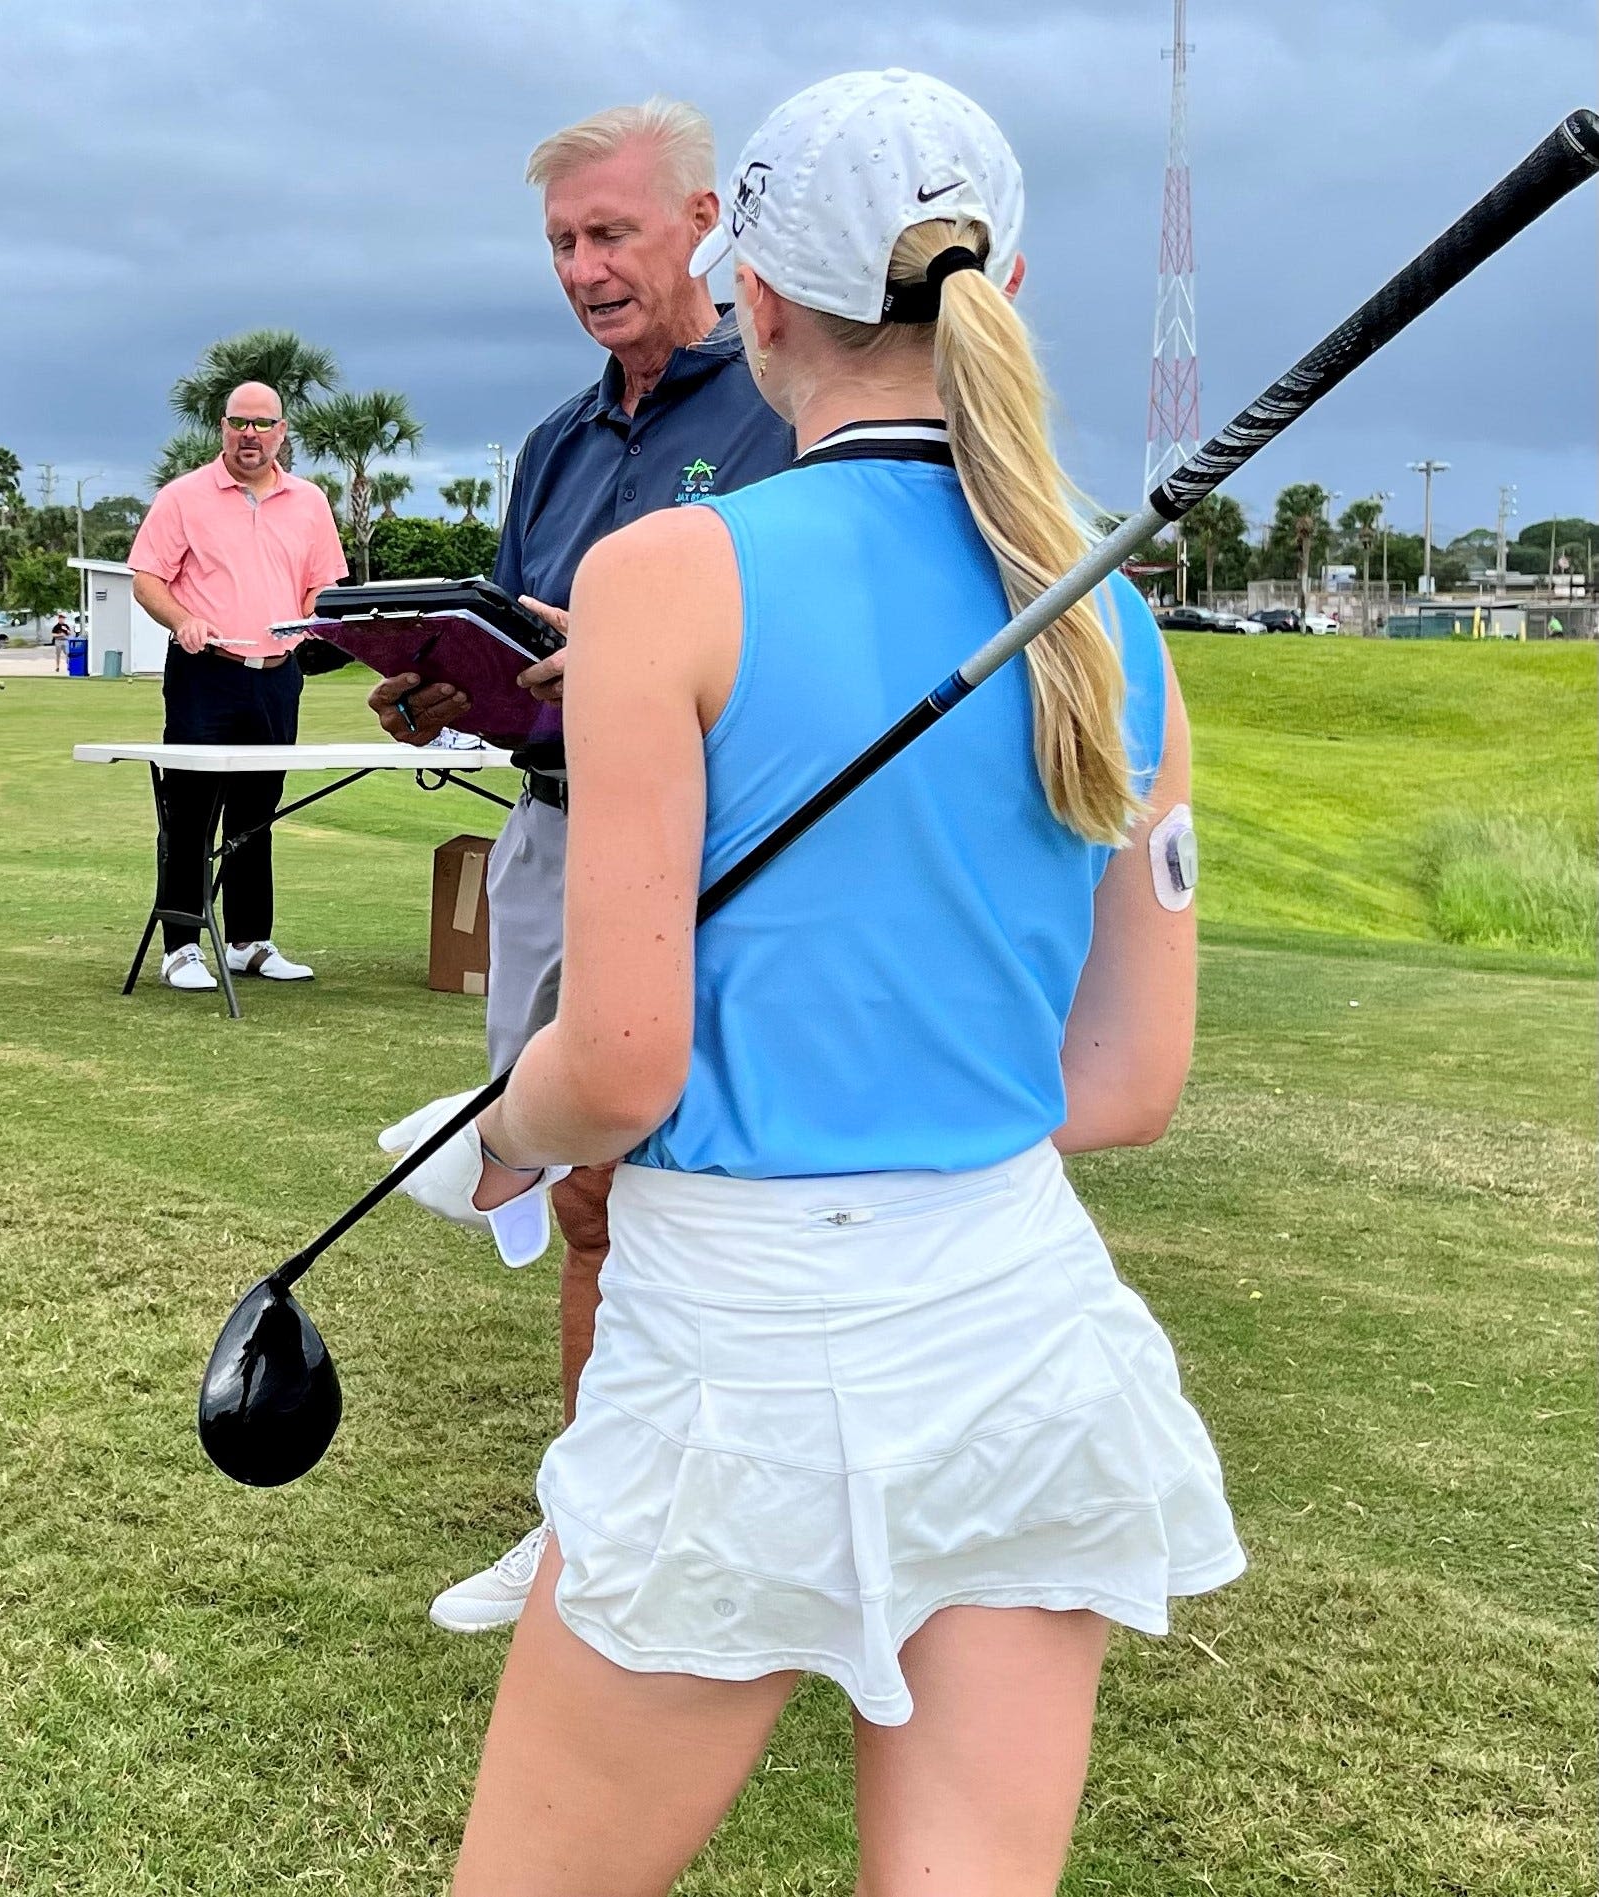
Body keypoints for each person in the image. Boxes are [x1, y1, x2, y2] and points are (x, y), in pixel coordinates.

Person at [439, 71, 1242, 1894]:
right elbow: (1124, 1083)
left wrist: (488, 1135)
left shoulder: (667, 574)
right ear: (1004, 286)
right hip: (1019, 1326)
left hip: (736, 1343)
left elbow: (622, 1063)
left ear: (758, 296)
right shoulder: (1104, 612)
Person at [375, 97, 794, 1634]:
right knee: (589, 1200)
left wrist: (624, 665)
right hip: (557, 829)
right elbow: (524, 642)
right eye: (561, 241)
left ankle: (725, 1539)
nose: (584, 267)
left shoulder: (781, 412)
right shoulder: (555, 444)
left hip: (731, 852)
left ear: (704, 224)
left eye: (611, 232)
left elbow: (809, 662)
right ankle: (592, 1529)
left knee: (731, 1198)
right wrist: (448, 683)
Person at [127, 381, 349, 991]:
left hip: (278, 677)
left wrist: (310, 620)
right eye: (238, 424)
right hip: (206, 672)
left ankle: (251, 940)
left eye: (262, 424)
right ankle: (182, 946)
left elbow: (321, 585)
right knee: (191, 809)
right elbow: (147, 579)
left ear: (281, 432)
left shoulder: (309, 502)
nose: (250, 436)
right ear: (222, 428)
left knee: (258, 812)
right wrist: (183, 620)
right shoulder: (184, 497)